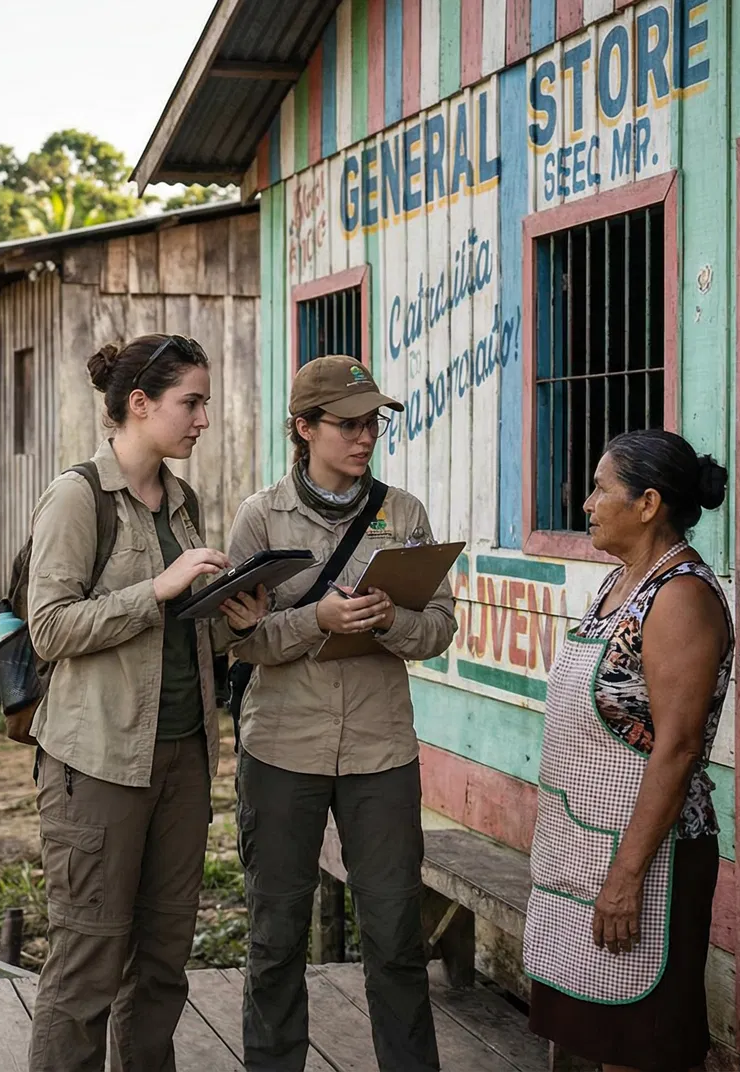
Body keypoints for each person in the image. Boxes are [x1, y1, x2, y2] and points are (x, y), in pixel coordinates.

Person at [24, 334, 264, 1072]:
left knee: (162, 962)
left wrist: (234, 620)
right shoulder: (78, 497)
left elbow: (178, 634)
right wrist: (156, 589)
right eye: (191, 403)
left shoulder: (183, 502)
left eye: (205, 404)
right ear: (139, 403)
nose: (203, 420)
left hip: (184, 758)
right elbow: (49, 628)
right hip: (98, 764)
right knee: (87, 965)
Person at [224, 355, 457, 1072]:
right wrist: (315, 620)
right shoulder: (260, 517)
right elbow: (237, 640)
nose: (364, 438)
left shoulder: (403, 513)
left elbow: (439, 627)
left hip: (381, 754)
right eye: (348, 424)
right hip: (281, 749)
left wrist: (390, 620)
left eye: (373, 424)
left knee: (396, 936)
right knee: (275, 938)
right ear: (304, 427)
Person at [524, 430, 733, 1072]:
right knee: (599, 1041)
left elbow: (677, 749)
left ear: (647, 504)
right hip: (587, 847)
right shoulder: (621, 583)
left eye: (600, 489)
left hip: (648, 859)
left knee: (642, 1051)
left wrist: (626, 876)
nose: (587, 503)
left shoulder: (680, 597)